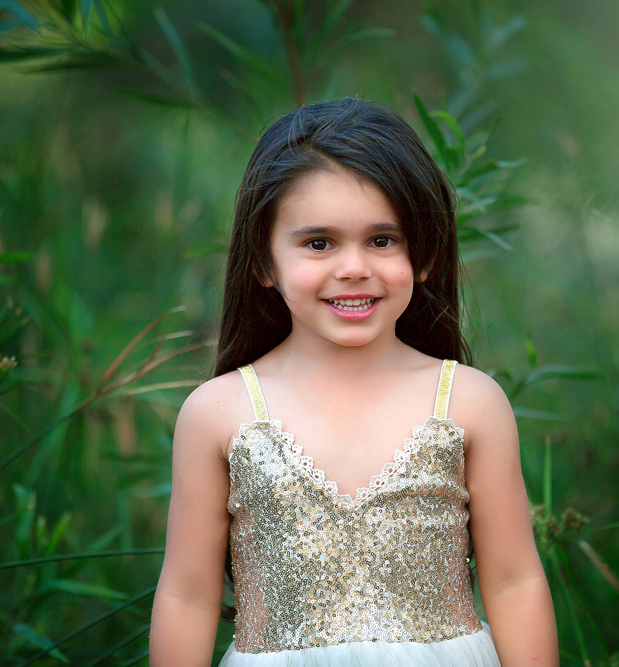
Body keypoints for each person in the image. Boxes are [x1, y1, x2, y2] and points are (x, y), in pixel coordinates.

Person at [149, 97, 558, 666]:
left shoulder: (469, 401)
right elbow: (187, 595)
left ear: (423, 254)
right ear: (264, 261)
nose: (353, 269)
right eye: (318, 243)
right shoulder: (218, 412)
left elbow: (514, 581)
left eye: (382, 240)